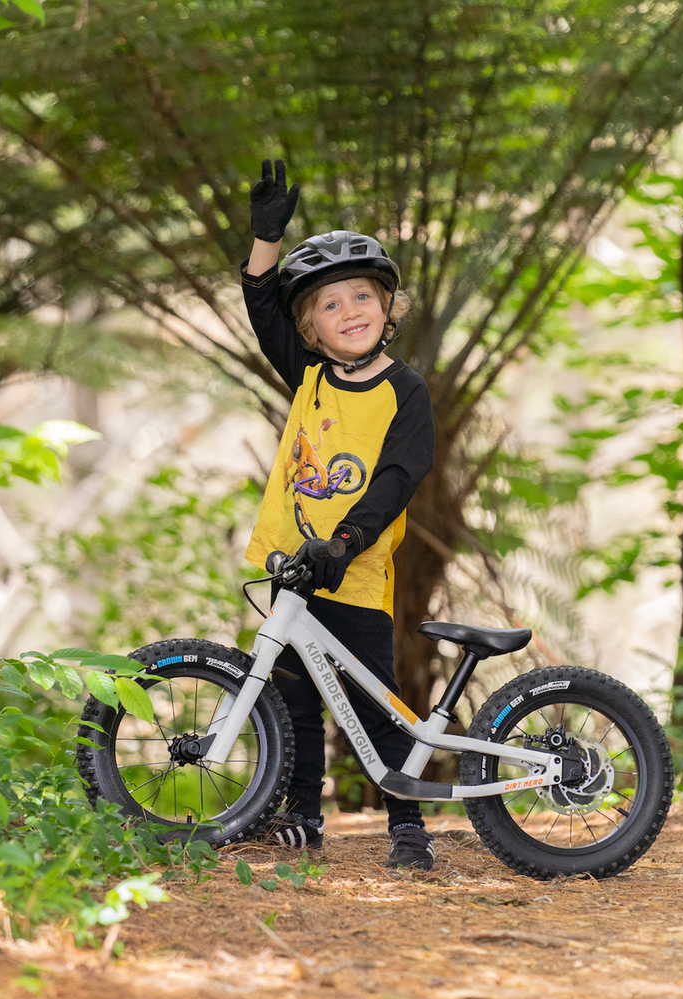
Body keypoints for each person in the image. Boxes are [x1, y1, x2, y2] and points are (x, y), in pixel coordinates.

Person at [240, 159, 436, 870]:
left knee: (376, 703)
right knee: (292, 700)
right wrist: (266, 238)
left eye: (362, 296)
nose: (350, 310)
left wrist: (344, 542)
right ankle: (301, 816)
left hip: (352, 573)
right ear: (311, 331)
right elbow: (262, 304)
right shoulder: (309, 377)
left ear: (387, 308)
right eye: (329, 304)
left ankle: (407, 826)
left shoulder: (405, 391)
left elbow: (396, 479)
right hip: (294, 565)